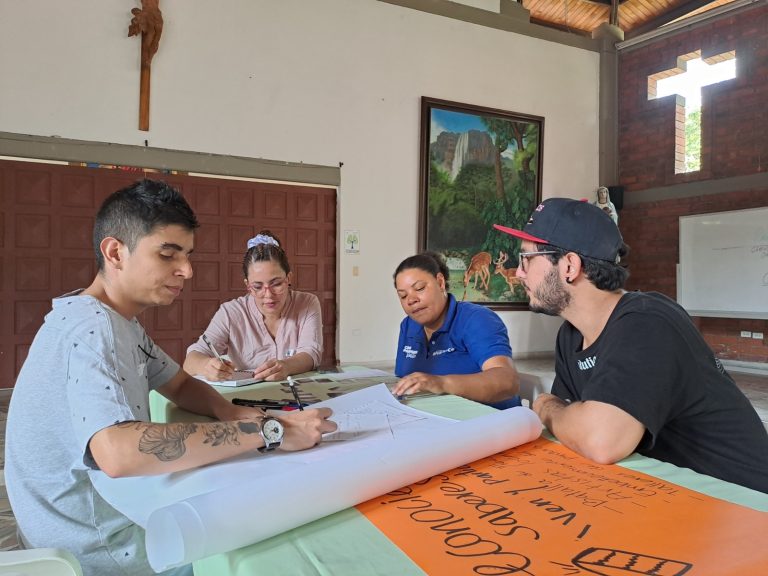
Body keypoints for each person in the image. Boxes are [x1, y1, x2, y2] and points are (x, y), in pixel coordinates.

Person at [4, 180, 337, 576]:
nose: (187, 271)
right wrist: (269, 431)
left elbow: (178, 383)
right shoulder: (93, 329)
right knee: (271, 546)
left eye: (187, 255)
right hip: (99, 547)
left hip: (101, 517)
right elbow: (118, 452)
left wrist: (231, 413)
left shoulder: (119, 321)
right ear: (115, 252)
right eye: (168, 255)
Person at [493, 198, 768, 493]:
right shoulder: (570, 336)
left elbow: (600, 440)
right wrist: (563, 413)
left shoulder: (648, 321)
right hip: (663, 494)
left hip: (742, 501)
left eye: (526, 259)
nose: (519, 273)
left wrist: (546, 406)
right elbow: (571, 425)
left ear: (570, 266)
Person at [183, 230, 322, 382]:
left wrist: (286, 366)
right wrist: (206, 366)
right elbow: (190, 361)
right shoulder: (231, 313)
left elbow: (311, 353)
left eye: (276, 284)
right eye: (257, 286)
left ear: (288, 278)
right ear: (248, 285)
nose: (268, 295)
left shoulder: (307, 303)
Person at [391, 251, 521, 409]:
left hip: (490, 419)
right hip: (434, 416)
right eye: (403, 296)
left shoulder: (476, 319)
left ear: (440, 282)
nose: (411, 300)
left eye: (419, 288)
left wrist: (441, 383)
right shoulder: (408, 326)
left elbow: (507, 382)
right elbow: (403, 378)